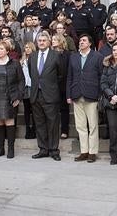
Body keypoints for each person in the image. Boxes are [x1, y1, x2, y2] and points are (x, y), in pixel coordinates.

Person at [66, 34, 104, 163]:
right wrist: (68, 95)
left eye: (84, 41)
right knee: (80, 126)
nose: (81, 42)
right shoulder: (74, 57)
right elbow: (69, 77)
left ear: (90, 43)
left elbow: (101, 77)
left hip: (91, 95)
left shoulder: (97, 56)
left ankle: (92, 152)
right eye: (80, 41)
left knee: (93, 125)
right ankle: (84, 151)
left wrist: (99, 94)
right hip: (76, 95)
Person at [28, 32, 65, 161]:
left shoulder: (56, 56)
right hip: (36, 95)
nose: (42, 42)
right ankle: (43, 149)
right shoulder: (32, 56)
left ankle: (54, 150)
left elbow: (61, 75)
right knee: (39, 123)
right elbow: (33, 75)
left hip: (50, 95)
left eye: (44, 40)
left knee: (53, 124)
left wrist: (50, 87)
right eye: (40, 40)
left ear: (49, 42)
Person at [51, 34, 71, 139]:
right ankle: (53, 131)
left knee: (64, 109)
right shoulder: (49, 53)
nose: (52, 41)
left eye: (55, 39)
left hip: (63, 85)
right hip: (51, 86)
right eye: (52, 39)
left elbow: (67, 70)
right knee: (52, 110)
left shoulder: (67, 54)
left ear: (60, 41)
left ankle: (64, 130)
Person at [20, 42, 36, 139]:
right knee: (26, 109)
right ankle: (27, 128)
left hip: (32, 85)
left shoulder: (35, 58)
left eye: (29, 47)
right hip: (25, 86)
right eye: (26, 47)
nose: (27, 49)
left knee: (33, 108)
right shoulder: (22, 60)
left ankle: (34, 129)